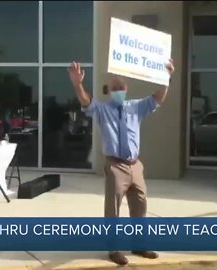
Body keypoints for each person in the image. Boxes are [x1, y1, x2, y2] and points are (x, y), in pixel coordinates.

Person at [67, 60, 175, 266]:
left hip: (135, 165)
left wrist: (166, 77)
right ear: (109, 91)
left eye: (121, 87)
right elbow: (86, 101)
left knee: (140, 206)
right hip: (115, 165)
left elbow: (158, 98)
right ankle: (114, 249)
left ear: (126, 89)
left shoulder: (136, 107)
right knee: (113, 209)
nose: (118, 90)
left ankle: (139, 244)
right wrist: (77, 84)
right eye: (114, 88)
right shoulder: (102, 109)